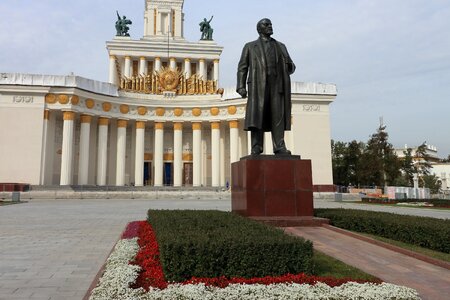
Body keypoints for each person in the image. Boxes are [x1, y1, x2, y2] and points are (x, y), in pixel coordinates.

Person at [237, 18, 296, 155]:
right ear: (259, 29)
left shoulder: (281, 46)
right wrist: (241, 86)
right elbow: (242, 67)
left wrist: (289, 65)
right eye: (266, 24)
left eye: (270, 24)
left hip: (278, 86)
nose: (270, 26)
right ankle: (257, 146)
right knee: (258, 117)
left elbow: (291, 67)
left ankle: (279, 146)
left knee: (278, 116)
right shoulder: (250, 46)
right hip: (258, 86)